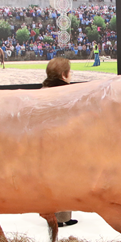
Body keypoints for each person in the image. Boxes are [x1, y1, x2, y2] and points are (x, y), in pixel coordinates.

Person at [41, 57, 78, 227]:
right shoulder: (67, 94)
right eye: (69, 72)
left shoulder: (42, 92)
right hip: (62, 143)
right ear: (63, 75)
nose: (71, 75)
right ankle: (61, 217)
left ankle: (56, 216)